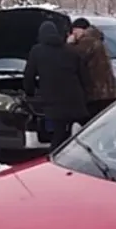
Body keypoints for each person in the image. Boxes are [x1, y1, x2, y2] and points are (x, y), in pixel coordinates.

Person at [23, 20, 89, 149]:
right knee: (74, 130)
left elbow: (29, 76)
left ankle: (56, 159)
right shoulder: (70, 50)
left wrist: (29, 92)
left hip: (53, 99)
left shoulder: (37, 51)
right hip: (74, 98)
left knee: (59, 133)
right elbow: (83, 75)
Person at [67, 18, 116, 123]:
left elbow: (73, 56)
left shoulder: (88, 41)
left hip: (97, 92)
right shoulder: (96, 39)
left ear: (82, 30)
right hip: (106, 92)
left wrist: (69, 44)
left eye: (75, 30)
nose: (73, 34)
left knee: (92, 123)